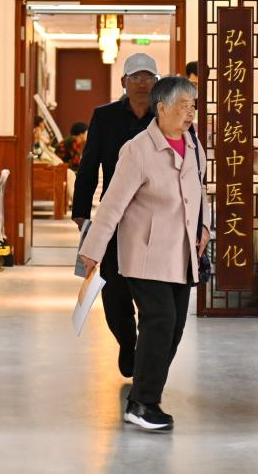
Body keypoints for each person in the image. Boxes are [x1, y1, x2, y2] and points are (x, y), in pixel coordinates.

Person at [78, 76, 209, 432]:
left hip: (181, 253)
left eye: (193, 106)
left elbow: (200, 192)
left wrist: (205, 228)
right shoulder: (137, 150)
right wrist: (93, 249)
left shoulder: (194, 145)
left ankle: (146, 392)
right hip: (145, 253)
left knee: (174, 328)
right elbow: (112, 203)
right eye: (183, 106)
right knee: (160, 320)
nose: (190, 113)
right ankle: (142, 403)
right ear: (161, 108)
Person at [72, 53, 159, 379]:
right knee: (113, 287)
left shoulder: (165, 117)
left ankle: (147, 350)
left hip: (155, 217)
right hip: (115, 215)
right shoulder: (104, 116)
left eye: (148, 77)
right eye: (135, 77)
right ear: (123, 82)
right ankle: (126, 340)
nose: (142, 83)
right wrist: (81, 213)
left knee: (152, 287)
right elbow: (89, 164)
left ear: (157, 83)